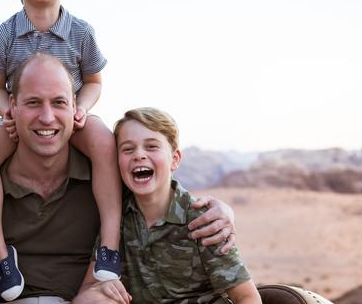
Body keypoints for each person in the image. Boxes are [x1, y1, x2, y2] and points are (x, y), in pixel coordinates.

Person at [0, 53, 237, 303]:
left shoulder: (106, 175)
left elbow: (159, 197)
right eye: (33, 103)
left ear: (75, 106)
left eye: (58, 103)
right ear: (13, 106)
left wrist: (220, 209)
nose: (47, 117)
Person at [0, 0, 123, 300]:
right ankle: (2, 257)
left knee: (104, 142)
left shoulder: (81, 32)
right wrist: (4, 111)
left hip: (71, 114)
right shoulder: (5, 33)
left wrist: (81, 107)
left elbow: (94, 81)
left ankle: (110, 245)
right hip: (20, 116)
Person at [89, 107, 261, 303]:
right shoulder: (116, 219)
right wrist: (102, 287)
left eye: (152, 146)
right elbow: (89, 289)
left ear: (175, 159)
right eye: (128, 149)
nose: (139, 155)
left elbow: (247, 297)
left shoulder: (203, 220)